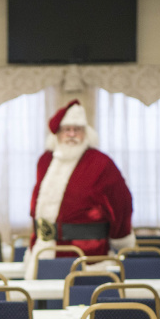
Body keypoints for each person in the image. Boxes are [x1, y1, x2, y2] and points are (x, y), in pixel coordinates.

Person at [23, 99, 135, 279]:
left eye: (77, 130)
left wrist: (120, 236)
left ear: (86, 133)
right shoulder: (45, 161)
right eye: (67, 130)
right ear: (58, 134)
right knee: (44, 304)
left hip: (87, 256)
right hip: (44, 251)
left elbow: (121, 203)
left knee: (84, 303)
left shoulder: (101, 163)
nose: (72, 134)